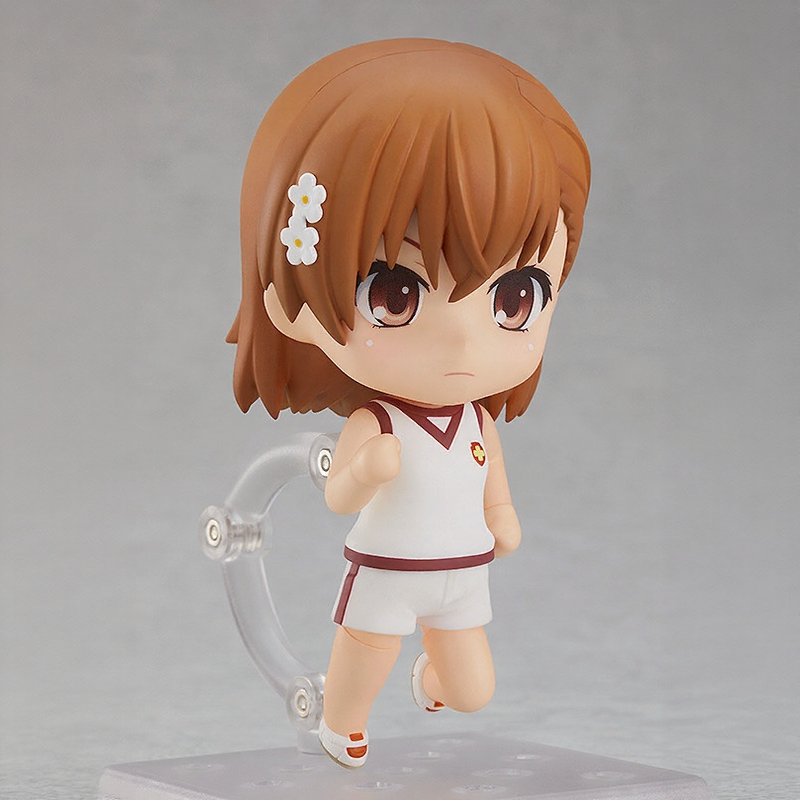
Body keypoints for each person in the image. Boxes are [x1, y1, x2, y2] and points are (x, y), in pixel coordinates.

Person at [228, 38, 590, 768]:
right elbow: (339, 494)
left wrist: (502, 517)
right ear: (295, 305)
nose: (461, 340)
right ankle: (341, 724)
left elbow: (491, 477)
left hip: (461, 568)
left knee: (475, 688)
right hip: (390, 566)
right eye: (397, 293)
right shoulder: (378, 422)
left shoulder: (476, 419)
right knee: (365, 655)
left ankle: (432, 681)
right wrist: (366, 471)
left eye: (515, 298)